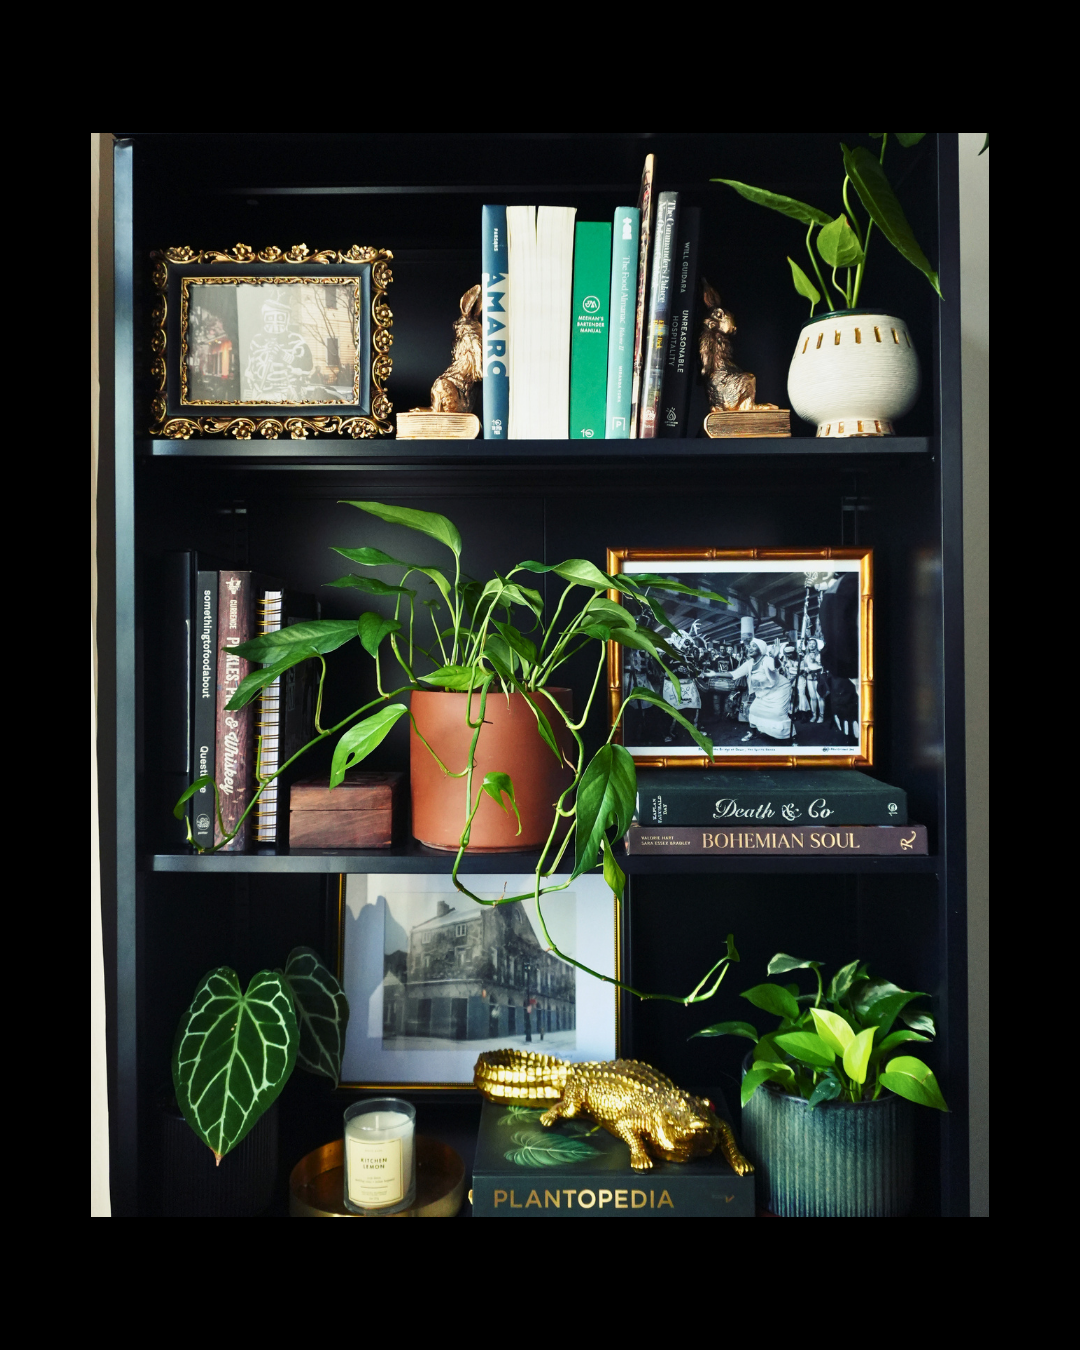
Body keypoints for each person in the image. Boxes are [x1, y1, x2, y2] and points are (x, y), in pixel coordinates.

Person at [730, 637, 796, 742]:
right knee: (753, 710)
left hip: (780, 689)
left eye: (753, 646)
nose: (750, 648)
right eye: (750, 646)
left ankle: (791, 737)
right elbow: (734, 674)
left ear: (761, 649)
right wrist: (714, 674)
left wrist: (775, 657)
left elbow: (775, 667)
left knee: (778, 714)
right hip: (765, 691)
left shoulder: (767, 659)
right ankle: (753, 733)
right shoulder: (750, 663)